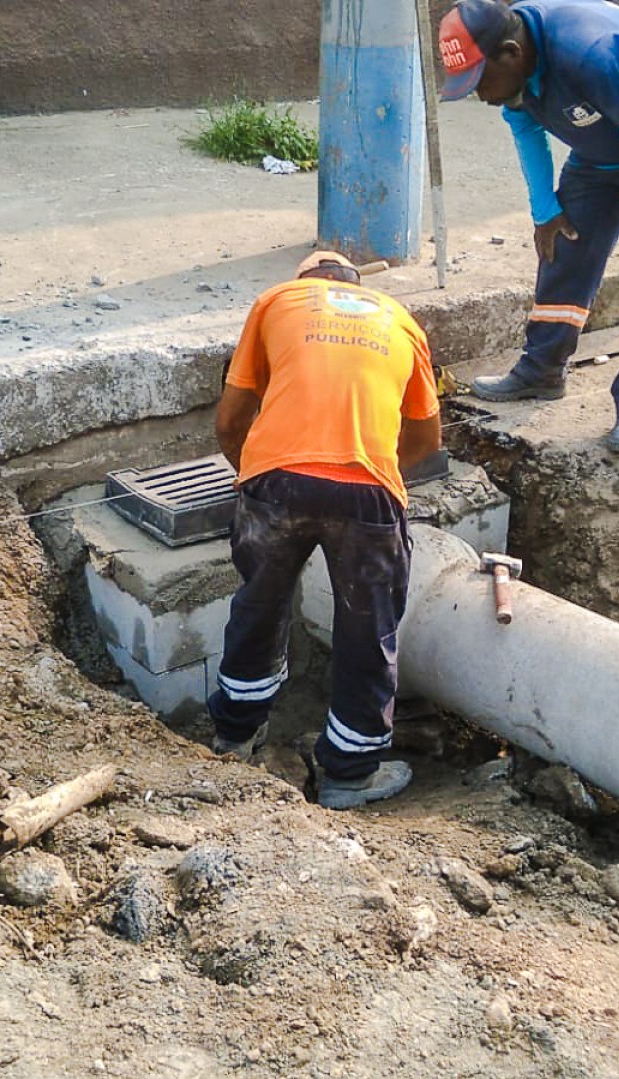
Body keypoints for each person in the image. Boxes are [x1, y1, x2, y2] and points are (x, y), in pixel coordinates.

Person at [438, 0, 619, 455]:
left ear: (511, 54)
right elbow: (525, 130)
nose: (480, 95)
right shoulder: (517, 71)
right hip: (604, 147)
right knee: (564, 243)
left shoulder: (586, 50)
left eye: (479, 81)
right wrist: (544, 210)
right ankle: (542, 370)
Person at [206, 251, 442, 810]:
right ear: (355, 284)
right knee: (368, 627)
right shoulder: (401, 319)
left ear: (306, 280)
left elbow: (230, 419)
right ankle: (348, 775)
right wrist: (371, 476)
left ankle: (234, 736)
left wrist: (254, 476)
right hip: (367, 487)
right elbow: (427, 439)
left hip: (276, 482)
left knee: (259, 607)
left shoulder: (277, 302)